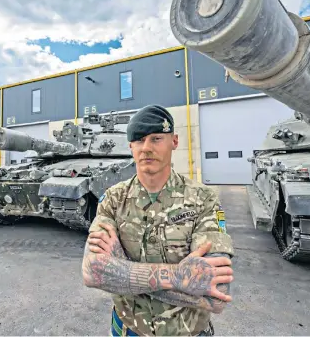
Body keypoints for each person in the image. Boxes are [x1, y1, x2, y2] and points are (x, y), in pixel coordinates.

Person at [81, 104, 234, 336]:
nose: (146, 148)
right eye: (139, 140)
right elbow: (93, 273)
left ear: (174, 141)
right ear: (131, 146)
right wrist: (179, 277)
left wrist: (121, 268)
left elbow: (216, 296)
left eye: (156, 139)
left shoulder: (203, 199)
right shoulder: (114, 198)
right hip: (128, 329)